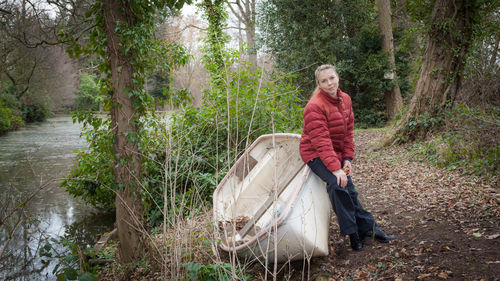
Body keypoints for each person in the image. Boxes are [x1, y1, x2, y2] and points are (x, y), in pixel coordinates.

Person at [299, 64, 395, 251]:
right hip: (315, 153)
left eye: (332, 78)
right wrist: (336, 169)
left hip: (335, 153)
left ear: (338, 77)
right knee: (338, 184)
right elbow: (321, 141)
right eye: (324, 81)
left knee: (347, 189)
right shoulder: (314, 106)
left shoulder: (346, 100)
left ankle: (366, 230)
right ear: (318, 84)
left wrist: (347, 159)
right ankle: (356, 233)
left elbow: (348, 133)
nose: (329, 83)